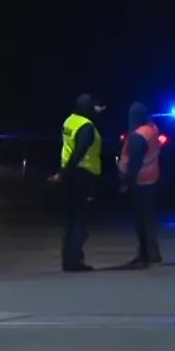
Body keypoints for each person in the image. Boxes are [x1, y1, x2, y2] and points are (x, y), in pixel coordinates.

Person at [54, 93, 104, 272]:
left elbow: (68, 148)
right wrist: (67, 171)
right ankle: (75, 260)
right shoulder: (86, 126)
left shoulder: (70, 121)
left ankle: (68, 259)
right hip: (83, 175)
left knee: (70, 220)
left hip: (70, 175)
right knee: (80, 221)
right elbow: (80, 150)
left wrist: (62, 172)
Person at [118, 102, 163, 268]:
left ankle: (149, 254)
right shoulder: (151, 130)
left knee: (142, 221)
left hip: (140, 182)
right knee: (148, 219)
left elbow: (134, 162)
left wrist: (127, 182)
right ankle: (148, 253)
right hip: (152, 179)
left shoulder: (138, 136)